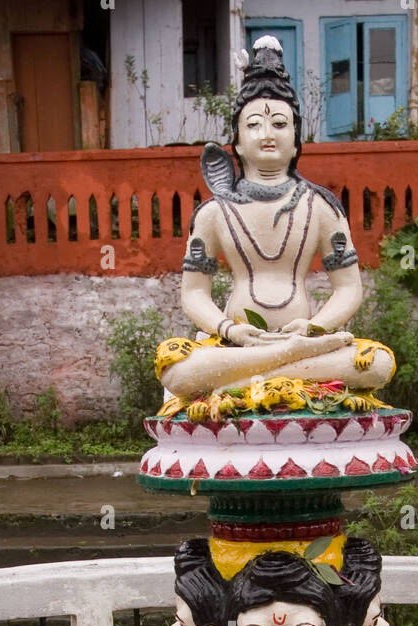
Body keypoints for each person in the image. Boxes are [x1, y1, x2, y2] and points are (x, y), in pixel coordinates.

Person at [156, 36, 395, 406]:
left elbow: (348, 288)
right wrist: (229, 329)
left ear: (297, 141)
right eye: (254, 125)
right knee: (178, 370)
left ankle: (243, 377)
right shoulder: (213, 212)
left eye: (280, 124)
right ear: (235, 142)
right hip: (235, 343)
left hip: (305, 336)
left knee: (376, 363)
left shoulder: (321, 207)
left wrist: (314, 328)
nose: (267, 134)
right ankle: (274, 365)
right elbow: (194, 292)